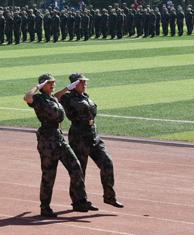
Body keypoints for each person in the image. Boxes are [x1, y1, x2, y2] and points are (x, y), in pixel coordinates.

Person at [24, 73, 91, 217]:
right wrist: (37, 87)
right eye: (50, 83)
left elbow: (60, 95)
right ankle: (45, 207)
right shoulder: (39, 99)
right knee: (49, 175)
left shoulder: (53, 97)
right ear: (43, 85)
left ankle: (80, 200)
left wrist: (67, 88)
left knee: (76, 167)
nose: (53, 84)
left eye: (54, 82)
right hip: (47, 141)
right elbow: (27, 98)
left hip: (59, 138)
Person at [58, 73, 122, 209]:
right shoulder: (68, 97)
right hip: (79, 136)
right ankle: (79, 201)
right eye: (81, 82)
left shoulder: (85, 97)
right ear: (74, 84)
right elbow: (52, 98)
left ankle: (109, 196)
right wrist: (67, 88)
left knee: (107, 162)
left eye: (85, 82)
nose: (85, 84)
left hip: (93, 135)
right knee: (80, 170)